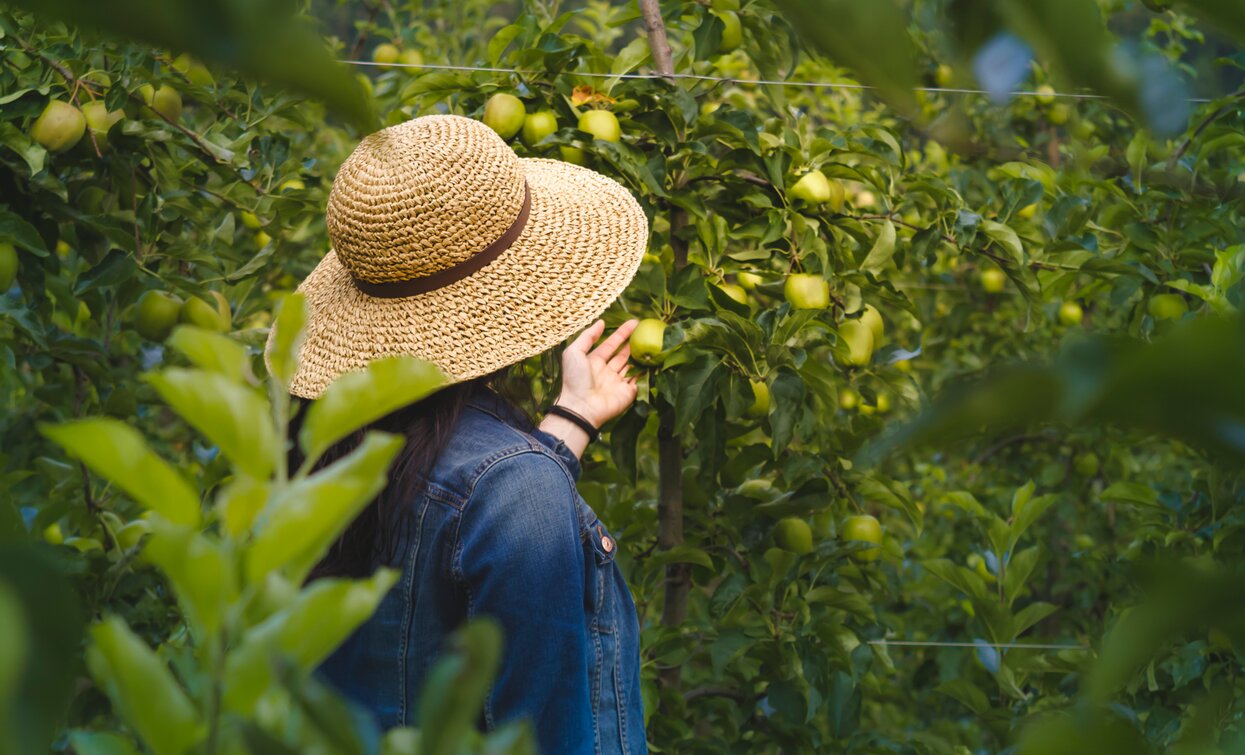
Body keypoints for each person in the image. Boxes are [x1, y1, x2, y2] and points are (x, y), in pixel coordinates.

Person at [271, 114, 650, 754]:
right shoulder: (511, 485)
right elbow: (545, 735)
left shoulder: (323, 450)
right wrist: (534, 467)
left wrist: (569, 423)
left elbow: (451, 525)